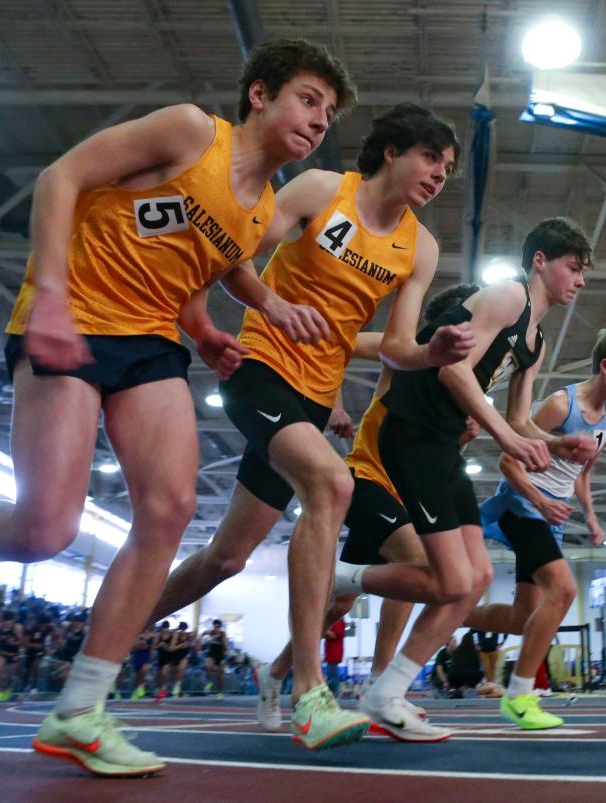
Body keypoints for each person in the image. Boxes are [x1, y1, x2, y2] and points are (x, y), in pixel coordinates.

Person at [0, 38, 356, 776]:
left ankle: (81, 706)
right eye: (308, 99)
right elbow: (60, 175)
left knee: (169, 508)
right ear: (261, 95)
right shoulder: (190, 132)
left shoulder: (260, 206)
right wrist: (46, 293)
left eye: (328, 113)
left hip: (147, 343)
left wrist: (208, 329)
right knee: (46, 528)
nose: (319, 120)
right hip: (71, 315)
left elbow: (215, 260)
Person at [148, 102, 471, 750]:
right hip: (260, 368)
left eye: (449, 168)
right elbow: (235, 250)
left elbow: (398, 345)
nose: (441, 175)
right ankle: (309, 691)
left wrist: (429, 354)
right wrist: (238, 311)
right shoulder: (324, 190)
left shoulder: (420, 248)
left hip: (315, 399)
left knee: (226, 558)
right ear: (392, 151)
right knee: (330, 483)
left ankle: (117, 621)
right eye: (432, 158)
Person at [334, 217, 598, 738]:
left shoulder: (536, 338)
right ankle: (344, 584)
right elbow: (453, 370)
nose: (580, 280)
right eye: (573, 267)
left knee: (472, 582)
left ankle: (385, 691)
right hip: (410, 432)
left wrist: (553, 443)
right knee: (451, 580)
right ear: (540, 261)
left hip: (442, 445)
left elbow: (522, 418)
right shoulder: (505, 297)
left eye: (584, 272)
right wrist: (507, 439)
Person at [253, 285, 482, 743]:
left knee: (337, 603)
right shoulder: (408, 351)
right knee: (421, 563)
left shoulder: (461, 376)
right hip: (367, 480)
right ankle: (383, 683)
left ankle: (274, 673)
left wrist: (461, 436)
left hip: (408, 493)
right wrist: (331, 401)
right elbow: (335, 343)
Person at [465, 329, 606, 726]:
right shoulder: (561, 406)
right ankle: (520, 696)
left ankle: (451, 611)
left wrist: (591, 516)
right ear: (605, 366)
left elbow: (582, 471)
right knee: (563, 590)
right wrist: (541, 500)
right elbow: (509, 462)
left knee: (520, 618)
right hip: (521, 503)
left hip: (550, 513)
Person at [0, 609, 23, 702]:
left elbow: (22, 642)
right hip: (1, 652)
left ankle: (6, 691)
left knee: (9, 677)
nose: (7, 624)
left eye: (9, 622)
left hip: (13, 654)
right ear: (2, 621)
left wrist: (15, 642)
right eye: (5, 622)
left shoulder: (18, 628)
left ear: (13, 621)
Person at [202, 619, 229, 700]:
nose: (216, 628)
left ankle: (220, 692)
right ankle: (209, 682)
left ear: (220, 627)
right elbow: (203, 638)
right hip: (211, 654)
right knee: (207, 667)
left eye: (218, 626)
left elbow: (226, 646)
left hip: (220, 655)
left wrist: (224, 646)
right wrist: (205, 639)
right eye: (215, 626)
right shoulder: (210, 633)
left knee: (220, 675)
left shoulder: (222, 634)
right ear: (213, 626)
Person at [323, 617, 345, 696]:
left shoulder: (338, 622)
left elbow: (334, 635)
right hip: (331, 652)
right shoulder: (335, 622)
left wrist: (322, 631)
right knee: (331, 673)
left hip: (334, 652)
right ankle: (334, 691)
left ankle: (334, 692)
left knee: (332, 674)